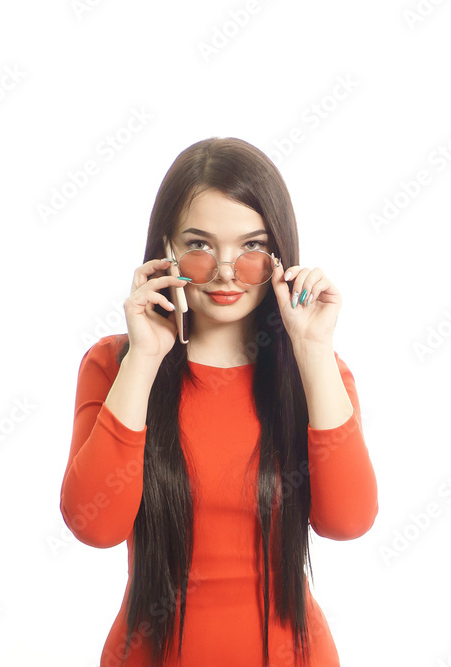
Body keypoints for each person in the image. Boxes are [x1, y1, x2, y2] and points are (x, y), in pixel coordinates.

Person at [59, 137, 378, 667]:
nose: (228, 270)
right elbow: (95, 526)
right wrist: (146, 356)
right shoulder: (115, 365)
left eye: (251, 248)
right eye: (200, 246)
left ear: (280, 258)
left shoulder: (317, 371)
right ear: (165, 249)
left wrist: (313, 349)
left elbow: (348, 520)